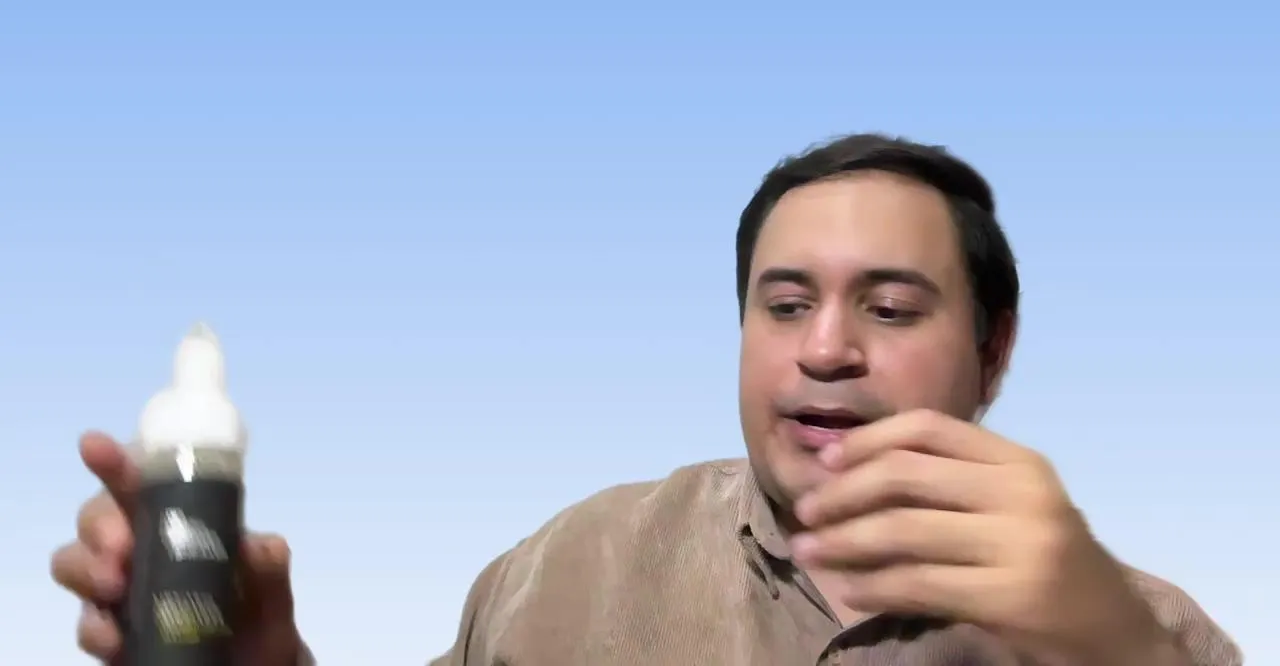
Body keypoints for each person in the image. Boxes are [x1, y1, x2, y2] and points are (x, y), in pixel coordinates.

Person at [52, 133, 1243, 665]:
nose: (825, 350)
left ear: (992, 351)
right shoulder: (566, 570)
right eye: (783, 305)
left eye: (887, 309)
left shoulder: (1140, 632)